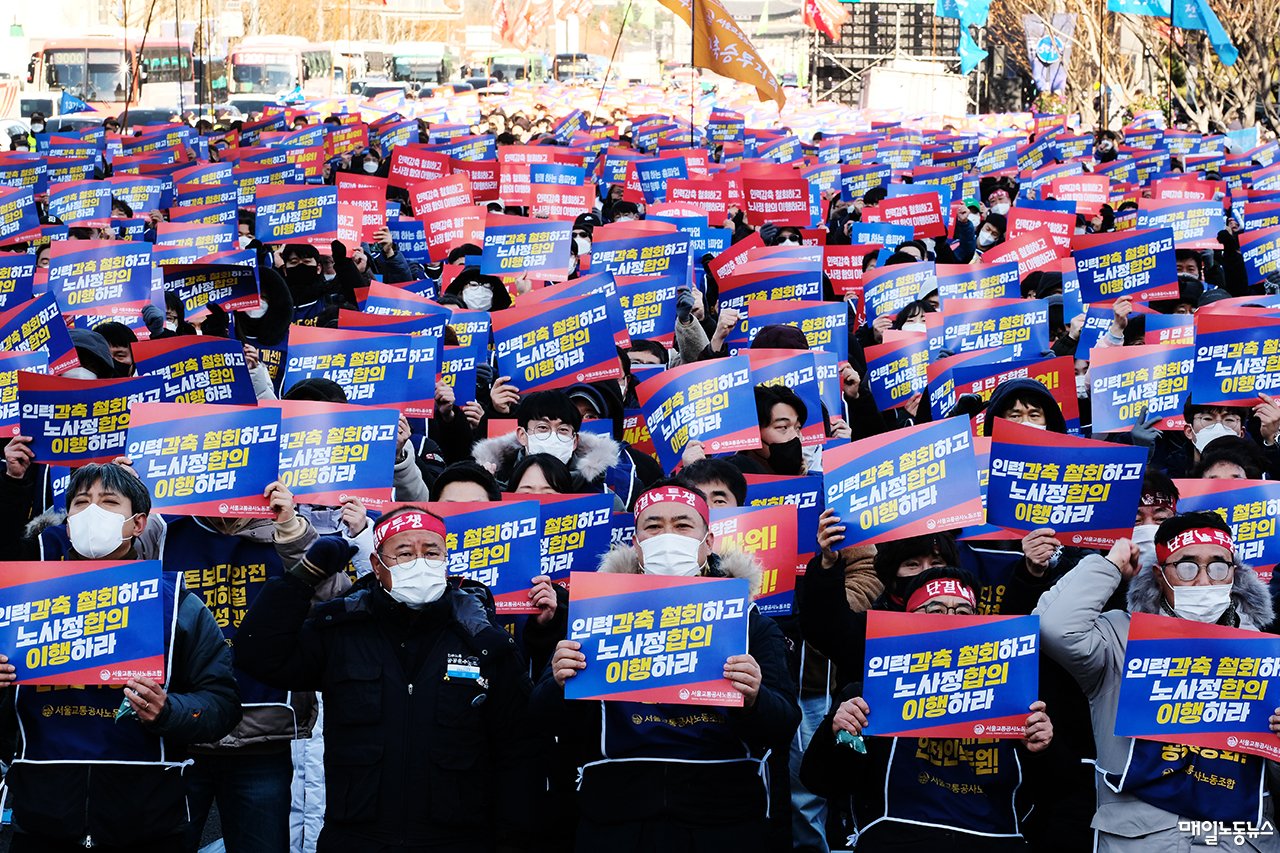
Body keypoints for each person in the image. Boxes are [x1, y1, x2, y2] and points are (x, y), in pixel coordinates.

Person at [235, 513, 539, 852]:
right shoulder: (341, 629)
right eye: (405, 553)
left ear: (446, 560)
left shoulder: (482, 640)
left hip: (457, 839)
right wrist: (302, 578)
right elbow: (259, 656)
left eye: (432, 552)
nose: (420, 562)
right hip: (358, 839)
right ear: (378, 566)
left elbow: (518, 751)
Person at [531, 482, 800, 852]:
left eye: (683, 525)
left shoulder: (751, 622)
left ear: (708, 541)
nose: (668, 536)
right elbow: (544, 719)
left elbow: (784, 724)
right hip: (618, 816)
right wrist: (558, 684)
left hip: (722, 816)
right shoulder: (595, 616)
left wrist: (755, 698)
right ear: (637, 544)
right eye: (654, 526)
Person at [0, 464, 241, 852]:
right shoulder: (21, 603)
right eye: (81, 503)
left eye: (109, 502)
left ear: (138, 523)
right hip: (43, 822)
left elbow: (223, 705)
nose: (92, 511)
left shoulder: (177, 604)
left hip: (148, 823)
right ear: (67, 522)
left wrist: (169, 710)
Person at [1035, 512, 1280, 850]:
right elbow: (1054, 626)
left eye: (1219, 566)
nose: (1205, 581)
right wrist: (1109, 566)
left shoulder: (1267, 654)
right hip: (1142, 839)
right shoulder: (1121, 638)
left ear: (1234, 574)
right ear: (1160, 575)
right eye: (1187, 566)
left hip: (1237, 841)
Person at [801, 568, 1053, 852]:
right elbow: (821, 781)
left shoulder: (1013, 693)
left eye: (962, 613)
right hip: (897, 841)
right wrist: (844, 734)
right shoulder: (871, 693)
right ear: (907, 619)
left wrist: (1042, 750)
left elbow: (1054, 792)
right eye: (934, 610)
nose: (948, 620)